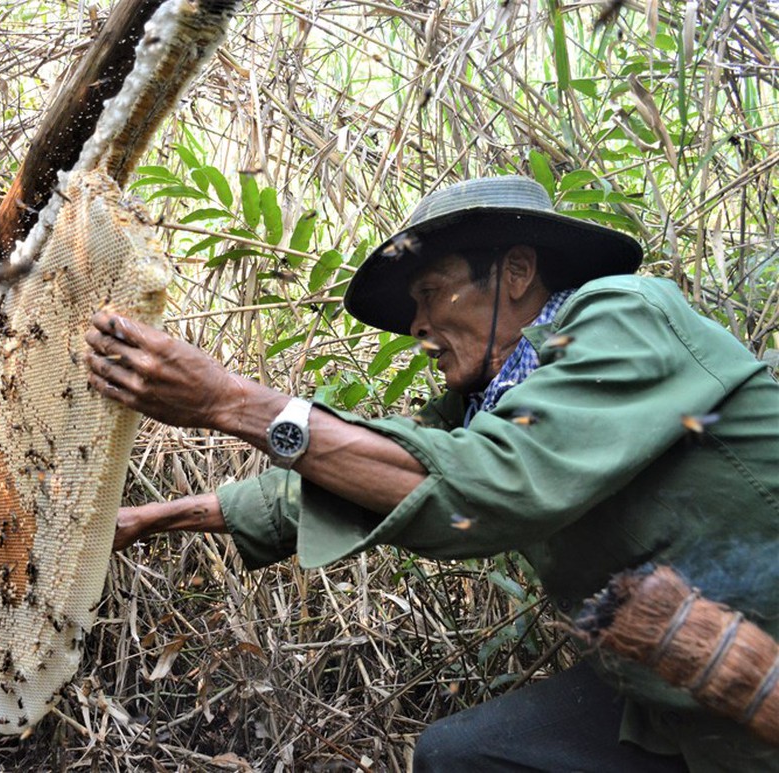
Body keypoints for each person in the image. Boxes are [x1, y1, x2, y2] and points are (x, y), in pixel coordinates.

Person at [85, 176, 779, 772]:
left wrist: (229, 401)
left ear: (515, 271)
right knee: (465, 755)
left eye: (430, 292)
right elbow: (363, 475)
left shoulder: (625, 316)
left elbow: (496, 483)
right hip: (673, 687)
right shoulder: (480, 406)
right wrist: (148, 519)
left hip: (758, 654)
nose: (417, 327)